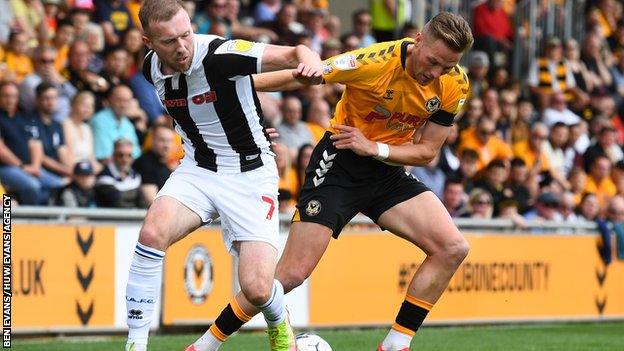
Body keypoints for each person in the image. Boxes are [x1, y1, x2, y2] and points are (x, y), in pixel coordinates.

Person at [224, 12, 473, 351]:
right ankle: (207, 343)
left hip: (385, 167)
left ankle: (396, 345)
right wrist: (229, 88)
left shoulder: (455, 83)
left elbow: (427, 151)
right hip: (339, 163)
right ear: (418, 40)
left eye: (446, 67)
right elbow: (303, 76)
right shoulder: (372, 61)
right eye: (432, 62)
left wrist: (375, 148)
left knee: (453, 248)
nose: (435, 74)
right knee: (291, 275)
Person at [125, 1, 322, 351]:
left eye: (186, 34)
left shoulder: (219, 53)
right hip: (198, 169)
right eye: (169, 41)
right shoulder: (149, 69)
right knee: (152, 233)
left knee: (258, 289)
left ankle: (279, 321)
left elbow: (295, 52)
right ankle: (136, 344)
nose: (182, 46)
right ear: (148, 42)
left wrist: (308, 62)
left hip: (250, 173)